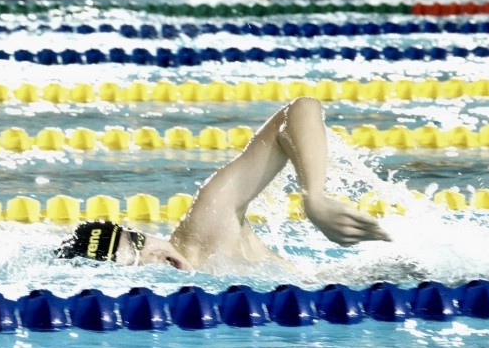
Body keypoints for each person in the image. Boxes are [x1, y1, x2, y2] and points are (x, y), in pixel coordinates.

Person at [57, 98, 390, 272]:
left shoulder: (207, 229)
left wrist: (313, 197)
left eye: (141, 240)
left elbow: (300, 109)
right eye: (135, 261)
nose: (155, 252)